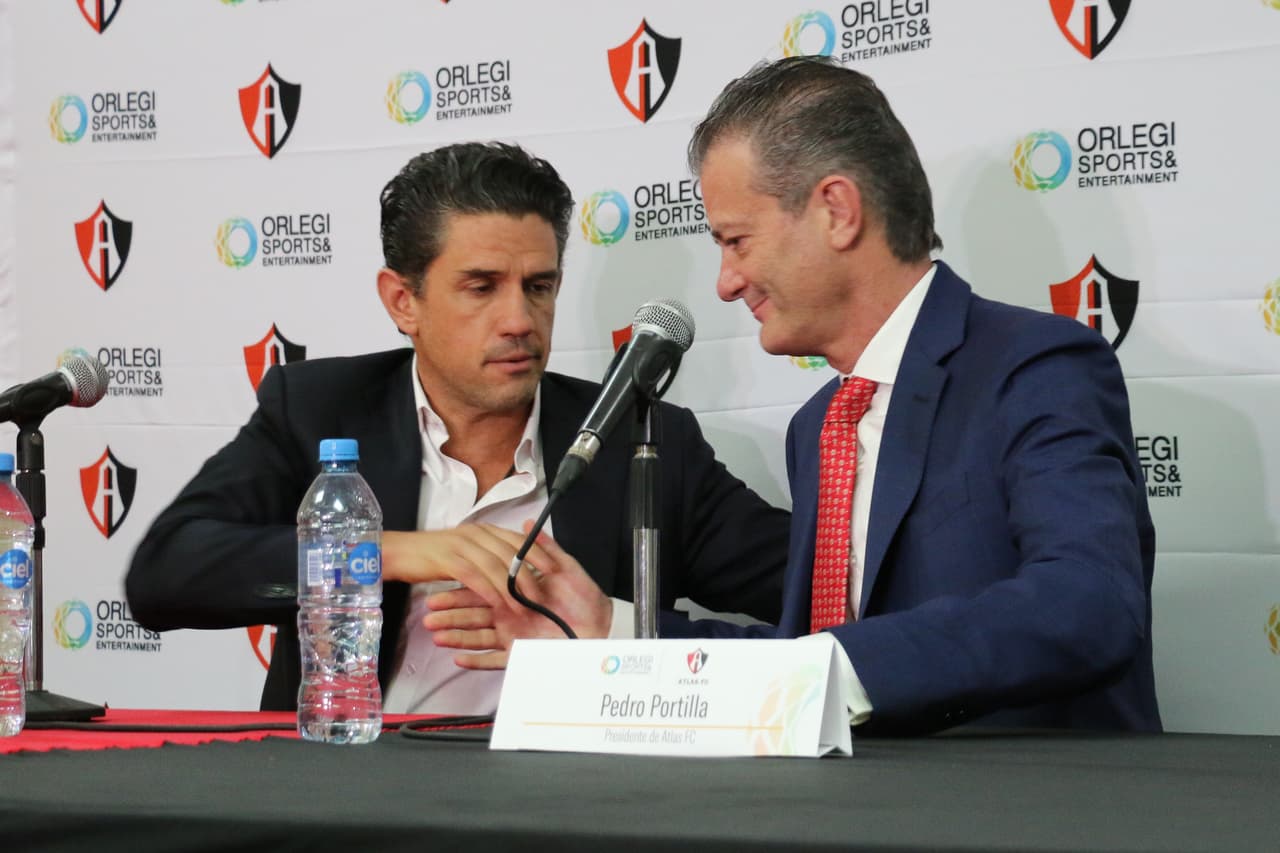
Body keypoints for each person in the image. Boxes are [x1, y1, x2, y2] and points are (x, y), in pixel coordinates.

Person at [440, 58, 1162, 736]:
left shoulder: (1034, 366)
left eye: (737, 240)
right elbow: (805, 653)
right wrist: (604, 631)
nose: (725, 281)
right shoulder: (819, 424)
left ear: (837, 211)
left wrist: (826, 668)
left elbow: (1088, 604)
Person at [125, 142, 789, 714]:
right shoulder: (321, 409)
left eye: (539, 286)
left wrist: (612, 632)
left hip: (570, 807)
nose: (519, 320)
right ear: (403, 302)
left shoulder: (642, 441)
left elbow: (824, 592)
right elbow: (167, 573)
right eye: (481, 286)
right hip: (351, 798)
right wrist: (396, 552)